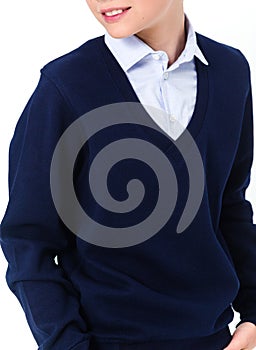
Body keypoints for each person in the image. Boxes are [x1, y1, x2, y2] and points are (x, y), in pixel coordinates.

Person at [1, 0, 256, 349]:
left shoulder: (231, 71)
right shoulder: (66, 85)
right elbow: (28, 240)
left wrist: (254, 312)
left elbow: (230, 205)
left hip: (214, 339)